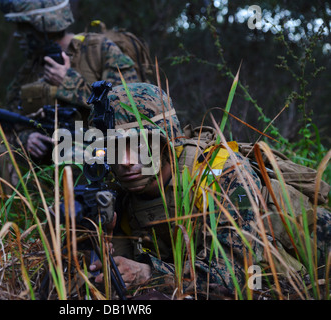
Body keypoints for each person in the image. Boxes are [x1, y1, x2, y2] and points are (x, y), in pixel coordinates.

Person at [88, 82, 331, 299]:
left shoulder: (222, 173)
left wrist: (149, 273)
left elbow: (234, 276)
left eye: (139, 145)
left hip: (303, 274)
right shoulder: (116, 193)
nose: (126, 161)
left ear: (167, 141)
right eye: (114, 147)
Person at [0, 0, 139, 191]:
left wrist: (69, 82)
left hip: (104, 157)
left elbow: (129, 108)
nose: (18, 35)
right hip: (49, 170)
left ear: (45, 26)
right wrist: (27, 138)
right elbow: (12, 124)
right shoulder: (30, 70)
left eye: (24, 27)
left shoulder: (100, 50)